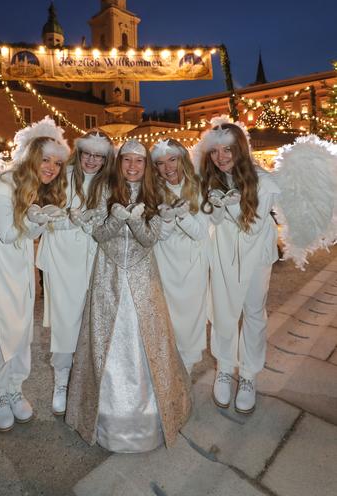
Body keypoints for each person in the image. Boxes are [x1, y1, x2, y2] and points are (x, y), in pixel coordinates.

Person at [66, 138, 191, 453]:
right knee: (106, 343)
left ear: (146, 166)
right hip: (108, 276)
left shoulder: (155, 194)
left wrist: (135, 220)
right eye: (127, 160)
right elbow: (99, 235)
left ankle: (149, 418)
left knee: (145, 342)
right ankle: (106, 420)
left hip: (143, 277)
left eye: (139, 161)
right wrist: (114, 218)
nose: (133, 167)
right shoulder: (105, 191)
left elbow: (150, 239)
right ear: (119, 163)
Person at [0, 118, 70, 432]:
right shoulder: (1, 184)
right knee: (4, 331)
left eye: (56, 162)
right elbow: (9, 234)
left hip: (18, 264)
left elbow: (21, 234)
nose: (51, 167)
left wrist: (39, 216)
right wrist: (40, 220)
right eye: (46, 159)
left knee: (23, 328)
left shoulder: (30, 185)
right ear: (30, 156)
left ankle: (14, 388)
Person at [197, 119, 280, 414]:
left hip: (256, 257)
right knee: (223, 310)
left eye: (228, 150)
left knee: (254, 313)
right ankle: (224, 367)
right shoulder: (207, 181)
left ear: (240, 149)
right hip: (222, 255)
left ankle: (248, 375)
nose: (221, 157)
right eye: (215, 151)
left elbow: (288, 211)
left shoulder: (265, 181)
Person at [36, 130, 115, 415]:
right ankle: (61, 381)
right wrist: (70, 219)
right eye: (87, 154)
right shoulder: (61, 174)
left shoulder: (109, 183)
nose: (92, 161)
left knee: (94, 321)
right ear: (78, 152)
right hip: (61, 257)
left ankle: (91, 381)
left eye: (98, 156)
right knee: (65, 320)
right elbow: (42, 212)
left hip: (95, 258)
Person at [151, 138, 209, 372]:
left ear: (182, 159)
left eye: (172, 160)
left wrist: (182, 216)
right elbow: (157, 235)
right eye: (161, 163)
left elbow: (200, 233)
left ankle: (186, 368)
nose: (168, 167)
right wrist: (166, 220)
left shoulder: (199, 186)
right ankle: (167, 365)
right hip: (165, 262)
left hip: (193, 263)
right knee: (167, 316)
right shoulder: (152, 191)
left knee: (191, 316)